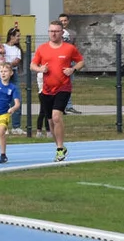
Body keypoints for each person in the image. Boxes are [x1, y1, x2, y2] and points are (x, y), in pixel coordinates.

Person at [30, 20, 85, 162]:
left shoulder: (69, 48)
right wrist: (40, 69)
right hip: (46, 89)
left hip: (63, 87)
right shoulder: (42, 48)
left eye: (56, 31)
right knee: (50, 121)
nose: (53, 33)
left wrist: (72, 69)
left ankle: (60, 149)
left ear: (61, 32)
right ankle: (59, 147)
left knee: (56, 117)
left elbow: (81, 61)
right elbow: (33, 65)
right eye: (51, 31)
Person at [58, 13, 81, 114]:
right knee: (58, 84)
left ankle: (69, 105)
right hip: (58, 61)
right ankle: (59, 106)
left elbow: (75, 47)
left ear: (68, 21)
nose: (63, 23)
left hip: (69, 61)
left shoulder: (72, 33)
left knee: (68, 84)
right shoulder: (56, 32)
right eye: (61, 21)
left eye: (65, 20)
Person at [3, 26, 24, 134]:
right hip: (3, 74)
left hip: (13, 74)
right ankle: (3, 126)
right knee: (3, 100)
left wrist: (8, 65)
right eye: (17, 36)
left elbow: (16, 60)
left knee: (17, 99)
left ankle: (16, 126)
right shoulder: (3, 47)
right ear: (11, 36)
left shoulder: (17, 50)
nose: (19, 38)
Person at [35, 68, 52, 138]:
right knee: (44, 112)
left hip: (46, 93)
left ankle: (43, 131)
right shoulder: (40, 74)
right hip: (43, 93)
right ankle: (45, 131)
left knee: (44, 112)